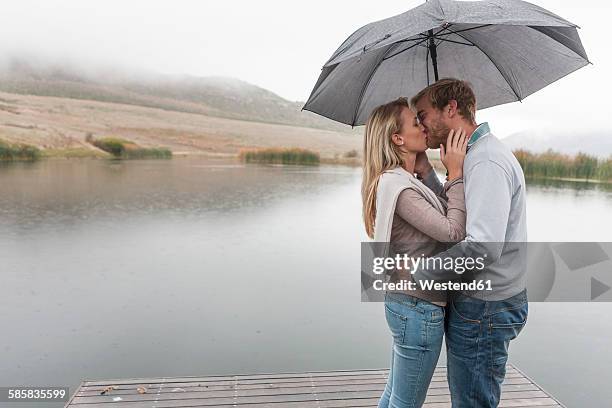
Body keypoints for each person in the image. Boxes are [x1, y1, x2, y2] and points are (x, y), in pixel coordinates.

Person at [410, 78, 529, 408]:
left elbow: (482, 248)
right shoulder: (473, 157)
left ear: (450, 109)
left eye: (422, 114)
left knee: (472, 403)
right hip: (482, 303)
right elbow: (457, 224)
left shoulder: (486, 161)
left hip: (485, 307)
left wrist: (420, 274)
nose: (419, 124)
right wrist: (432, 172)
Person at [361, 96, 467, 408]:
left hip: (406, 304)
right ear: (397, 138)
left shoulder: (401, 181)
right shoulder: (402, 188)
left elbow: (442, 213)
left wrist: (426, 169)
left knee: (395, 396)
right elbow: (453, 230)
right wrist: (457, 175)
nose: (422, 126)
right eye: (415, 122)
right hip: (417, 309)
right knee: (405, 403)